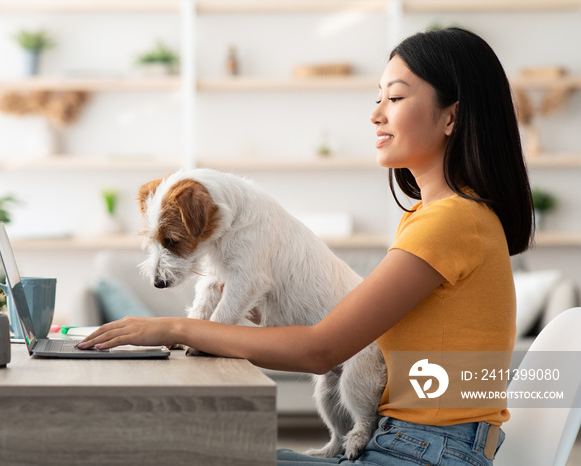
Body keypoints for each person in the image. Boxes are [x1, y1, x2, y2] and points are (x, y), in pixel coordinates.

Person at [78, 27, 534, 465]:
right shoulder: (436, 217)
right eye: (378, 98)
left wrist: (173, 329)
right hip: (414, 443)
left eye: (395, 97)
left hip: (422, 452)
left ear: (452, 116)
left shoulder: (452, 221)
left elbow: (321, 351)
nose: (376, 113)